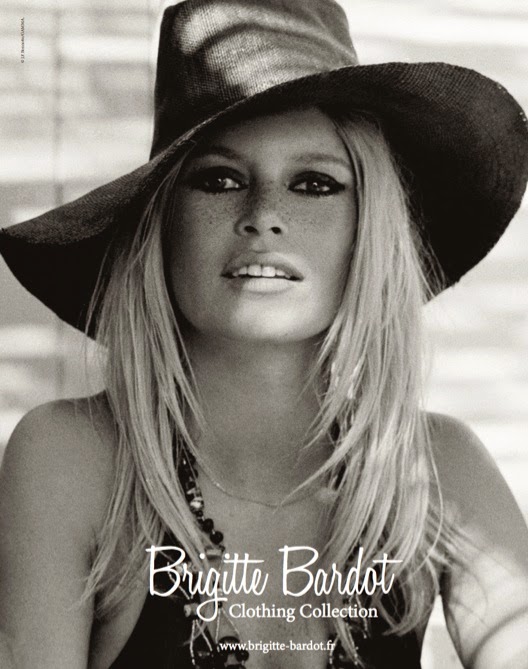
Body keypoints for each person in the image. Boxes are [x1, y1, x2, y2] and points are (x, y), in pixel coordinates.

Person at [1, 1, 527, 668]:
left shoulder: (437, 467)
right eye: (219, 179)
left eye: (314, 183)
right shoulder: (72, 457)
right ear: (160, 224)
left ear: (369, 231)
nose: (263, 216)